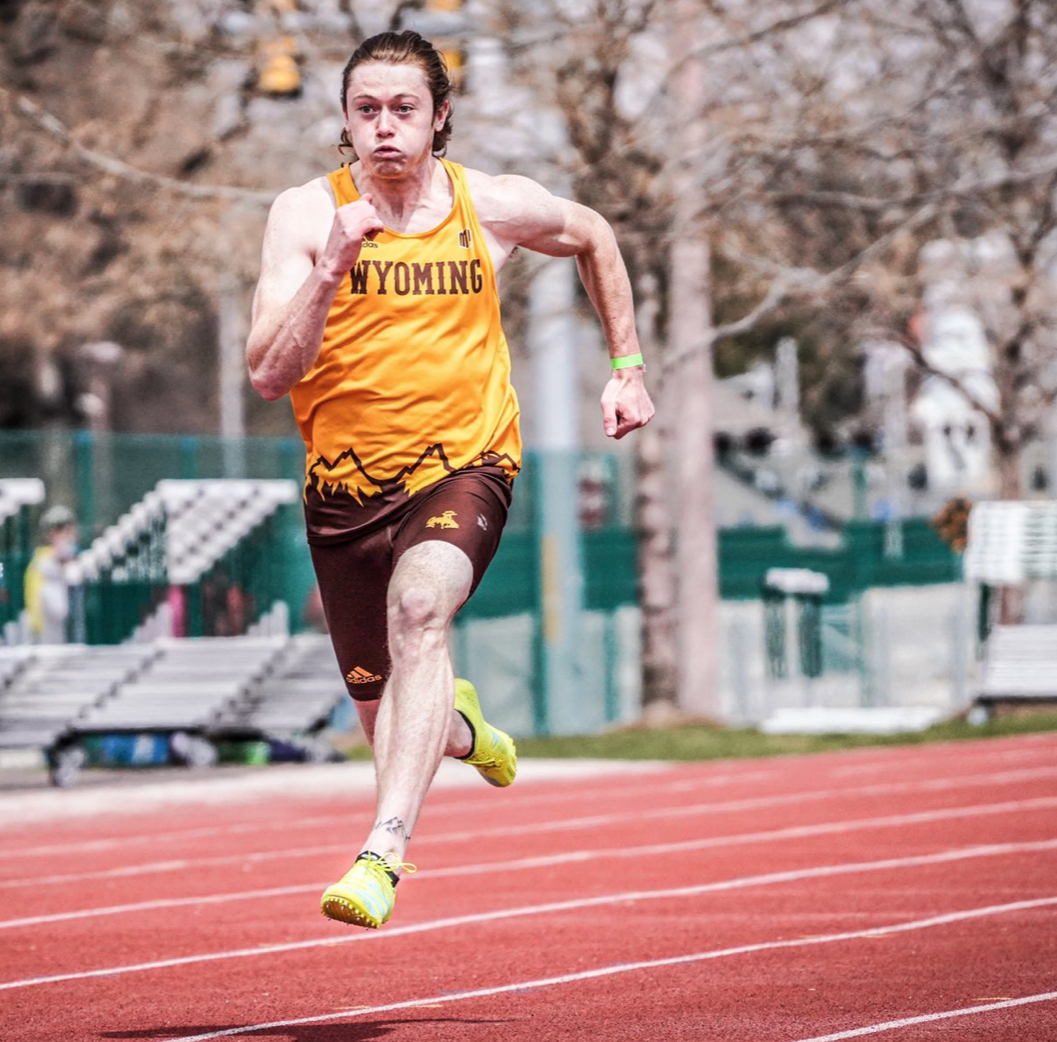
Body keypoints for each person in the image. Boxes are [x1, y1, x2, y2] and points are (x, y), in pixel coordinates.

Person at [247, 31, 654, 928]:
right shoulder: (306, 216)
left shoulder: (490, 206)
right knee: (386, 718)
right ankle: (462, 729)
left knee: (421, 608)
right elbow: (269, 375)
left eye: (404, 109)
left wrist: (626, 366)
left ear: (439, 117)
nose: (384, 127)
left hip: (465, 464)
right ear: (345, 119)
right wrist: (331, 269)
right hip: (345, 491)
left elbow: (593, 233)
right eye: (366, 110)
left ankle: (382, 853)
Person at [24, 505, 78, 643]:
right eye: (57, 529)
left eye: (66, 529)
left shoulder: (76, 556)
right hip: (49, 628)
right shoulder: (41, 561)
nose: (62, 534)